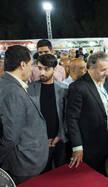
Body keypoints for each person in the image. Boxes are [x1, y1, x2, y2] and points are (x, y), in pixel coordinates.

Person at [0, 45, 48, 184]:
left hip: (24, 160)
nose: (32, 69)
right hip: (24, 164)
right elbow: (10, 137)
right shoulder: (14, 92)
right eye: (30, 65)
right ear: (22, 65)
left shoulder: (8, 83)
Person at [66, 51, 108, 175]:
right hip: (90, 145)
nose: (107, 73)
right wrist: (77, 147)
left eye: (107, 69)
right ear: (91, 68)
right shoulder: (77, 87)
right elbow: (72, 119)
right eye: (103, 70)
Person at [27, 54, 67, 173]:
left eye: (47, 69)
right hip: (38, 143)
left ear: (55, 69)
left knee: (61, 175)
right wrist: (41, 138)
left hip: (60, 141)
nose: (42, 72)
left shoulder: (65, 89)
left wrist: (61, 135)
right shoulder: (29, 89)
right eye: (40, 68)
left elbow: (68, 117)